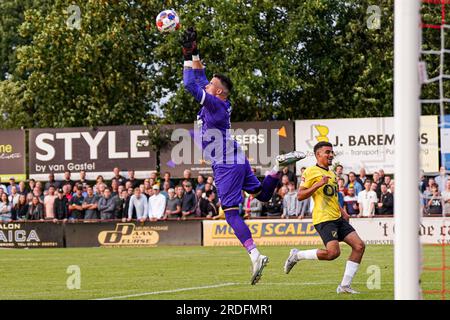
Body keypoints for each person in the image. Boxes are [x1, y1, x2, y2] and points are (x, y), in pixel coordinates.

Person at [182, 26, 305, 284]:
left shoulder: (215, 104)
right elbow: (199, 75)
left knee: (230, 214)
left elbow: (188, 83)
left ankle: (255, 254)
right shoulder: (218, 99)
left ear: (217, 92)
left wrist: (185, 53)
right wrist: (195, 50)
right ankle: (276, 167)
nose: (206, 83)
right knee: (263, 194)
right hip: (235, 156)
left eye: (211, 85)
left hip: (225, 162)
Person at [284, 141, 365, 294]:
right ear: (318, 154)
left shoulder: (332, 173)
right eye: (327, 152)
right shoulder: (310, 171)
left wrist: (343, 211)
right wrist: (318, 184)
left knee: (359, 246)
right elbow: (300, 195)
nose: (330, 155)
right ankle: (297, 255)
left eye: (331, 152)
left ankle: (344, 286)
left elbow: (333, 197)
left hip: (338, 218)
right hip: (324, 219)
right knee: (333, 253)